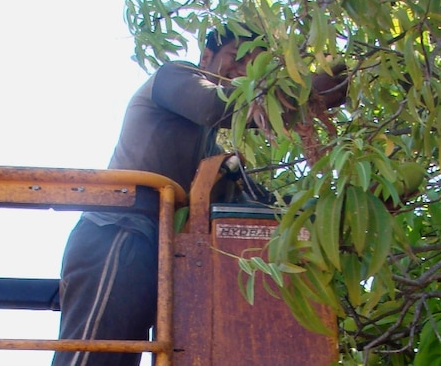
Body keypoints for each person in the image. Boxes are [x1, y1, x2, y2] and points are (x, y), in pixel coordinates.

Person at [52, 25, 346, 366]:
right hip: (117, 231)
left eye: (253, 68)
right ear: (206, 57)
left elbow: (254, 203)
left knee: (123, 358)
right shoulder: (172, 77)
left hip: (155, 248)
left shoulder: (207, 157)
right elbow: (214, 105)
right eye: (235, 60)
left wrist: (335, 212)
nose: (242, 74)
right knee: (94, 356)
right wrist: (304, 91)